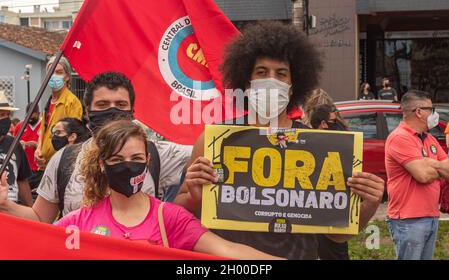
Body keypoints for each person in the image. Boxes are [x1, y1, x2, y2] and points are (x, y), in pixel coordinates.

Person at [174, 21, 385, 260]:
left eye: (281, 74)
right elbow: (178, 216)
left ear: (293, 86)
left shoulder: (318, 145)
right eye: (262, 72)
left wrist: (369, 202)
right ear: (247, 82)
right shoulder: (214, 141)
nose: (271, 80)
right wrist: (194, 195)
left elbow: (338, 235)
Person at [53, 119, 281, 259]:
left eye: (136, 158)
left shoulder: (170, 218)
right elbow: (34, 245)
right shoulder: (77, 224)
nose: (128, 165)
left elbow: (229, 251)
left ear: (148, 160)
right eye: (117, 159)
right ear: (102, 164)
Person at [0, 72, 191, 224]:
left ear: (132, 111)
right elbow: (40, 218)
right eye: (103, 104)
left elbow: (207, 149)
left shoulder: (156, 153)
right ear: (88, 111)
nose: (113, 110)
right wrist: (5, 204)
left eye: (120, 104)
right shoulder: (65, 159)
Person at [385, 90, 449, 260]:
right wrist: (437, 165)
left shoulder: (429, 138)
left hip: (431, 216)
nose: (434, 114)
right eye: (431, 109)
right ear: (419, 112)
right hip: (408, 220)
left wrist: (429, 162)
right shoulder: (399, 137)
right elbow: (423, 176)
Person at [309, 103, 350, 260]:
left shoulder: (342, 144)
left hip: (336, 214)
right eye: (335, 120)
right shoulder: (308, 146)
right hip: (316, 214)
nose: (339, 123)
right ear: (324, 124)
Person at [34, 55, 83, 170]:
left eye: (59, 72)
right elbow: (43, 134)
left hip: (61, 165)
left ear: (67, 76)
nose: (54, 76)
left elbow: (74, 138)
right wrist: (38, 151)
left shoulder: (72, 102)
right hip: (45, 166)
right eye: (51, 72)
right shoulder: (48, 103)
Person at [0, 91, 33, 207]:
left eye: (6, 115)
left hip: (12, 211)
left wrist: (32, 214)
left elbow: (22, 180)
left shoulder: (15, 145)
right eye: (0, 115)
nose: (4, 119)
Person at [13, 103, 41, 200]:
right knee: (24, 198)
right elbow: (13, 145)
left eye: (32, 117)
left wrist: (35, 144)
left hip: (39, 170)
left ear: (38, 114)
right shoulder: (20, 126)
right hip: (24, 169)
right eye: (28, 116)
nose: (30, 120)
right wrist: (20, 145)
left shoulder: (44, 126)